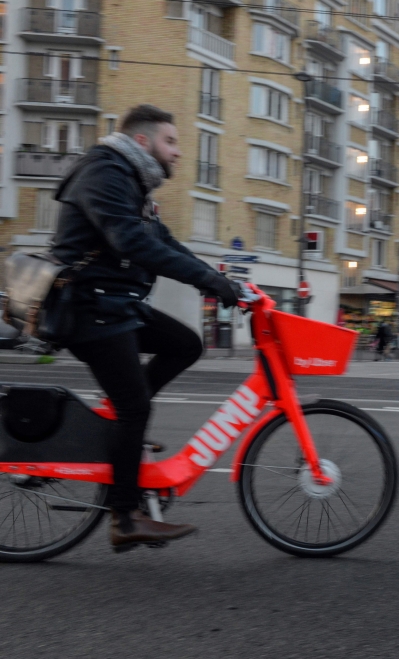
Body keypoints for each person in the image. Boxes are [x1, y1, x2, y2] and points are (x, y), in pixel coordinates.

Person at [51, 104, 242, 551]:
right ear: (143, 141)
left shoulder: (132, 179)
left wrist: (221, 279)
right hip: (88, 310)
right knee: (136, 406)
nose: (177, 153)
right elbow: (130, 242)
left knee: (185, 344)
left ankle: (121, 427)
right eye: (170, 142)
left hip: (115, 305)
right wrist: (207, 281)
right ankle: (125, 517)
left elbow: (162, 240)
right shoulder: (104, 172)